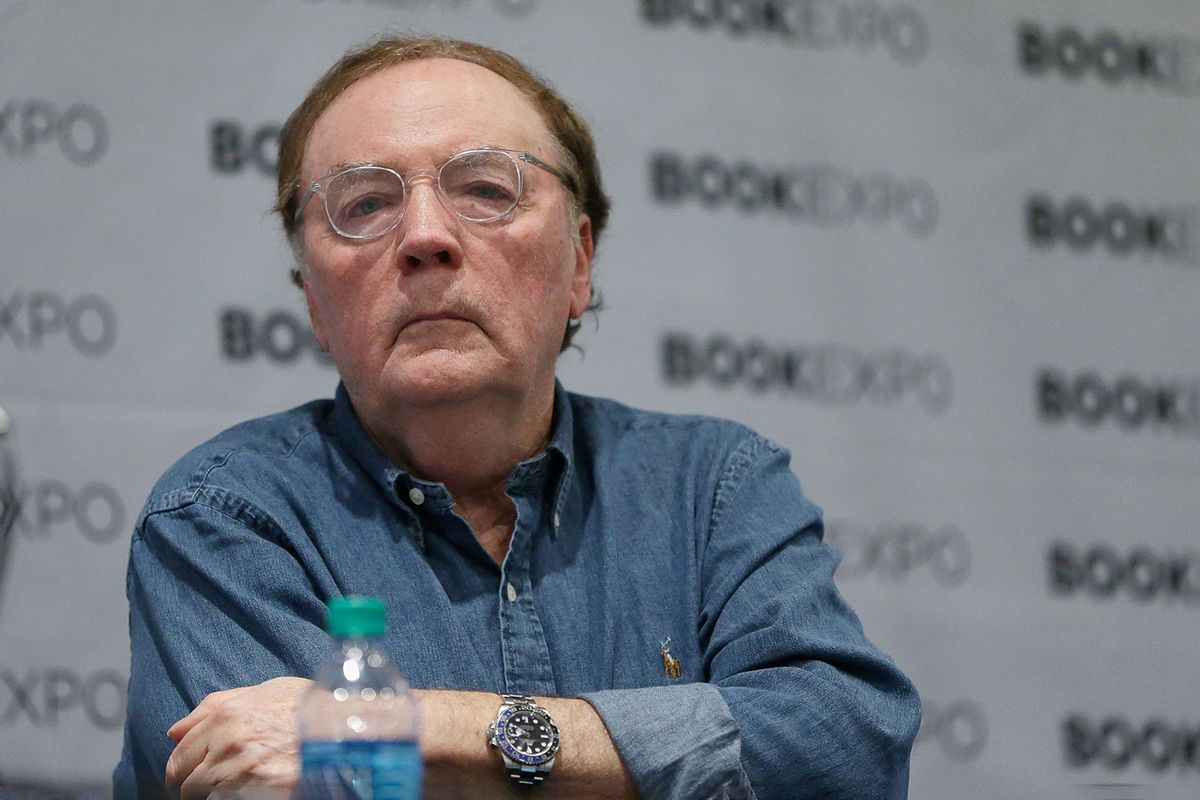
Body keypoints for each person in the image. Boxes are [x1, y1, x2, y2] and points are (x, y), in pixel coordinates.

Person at [114, 35, 920, 800]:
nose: (426, 237)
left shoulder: (714, 488)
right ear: (313, 302)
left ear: (579, 261)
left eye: (486, 191)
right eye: (363, 203)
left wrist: (411, 728)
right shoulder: (222, 521)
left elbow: (845, 749)